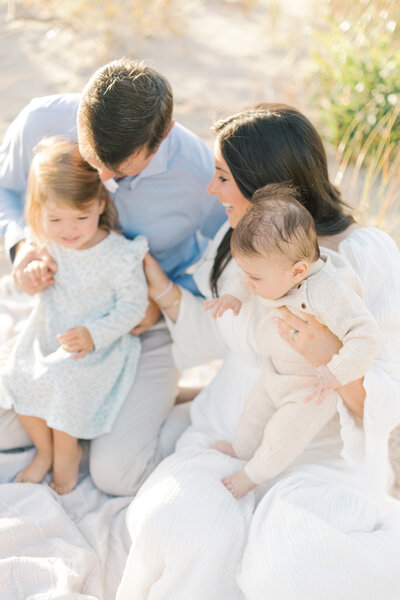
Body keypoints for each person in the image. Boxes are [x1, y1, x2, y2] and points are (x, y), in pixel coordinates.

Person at [116, 104, 400, 599]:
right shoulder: (239, 242)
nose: (212, 190)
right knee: (172, 528)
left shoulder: (361, 258)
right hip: (234, 430)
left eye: (222, 177)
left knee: (287, 569)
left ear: (263, 182)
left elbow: (388, 398)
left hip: (319, 455)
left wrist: (328, 354)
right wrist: (159, 291)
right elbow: (213, 331)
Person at [0, 58, 226, 495]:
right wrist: (21, 246)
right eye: (91, 159)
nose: (105, 183)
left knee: (115, 474)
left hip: (145, 328)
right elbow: (4, 189)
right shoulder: (41, 120)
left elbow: (224, 259)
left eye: (120, 171)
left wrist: (165, 300)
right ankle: (102, 415)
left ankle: (191, 403)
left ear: (164, 134)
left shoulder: (202, 175)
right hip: (63, 312)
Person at [203, 183, 380, 499]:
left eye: (254, 279)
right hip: (275, 371)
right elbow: (252, 276)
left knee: (283, 435)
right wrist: (234, 296)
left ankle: (251, 475)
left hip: (312, 387)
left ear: (298, 270)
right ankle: (241, 450)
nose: (248, 283)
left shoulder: (328, 292)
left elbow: (366, 336)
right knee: (253, 414)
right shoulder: (280, 268)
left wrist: (333, 371)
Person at [0, 137, 148, 494]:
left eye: (80, 217)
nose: (69, 230)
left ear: (100, 204)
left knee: (63, 380)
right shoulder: (47, 244)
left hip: (95, 346)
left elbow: (133, 307)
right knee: (17, 373)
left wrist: (95, 334)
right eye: (55, 219)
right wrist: (35, 275)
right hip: (49, 329)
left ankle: (66, 462)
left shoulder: (119, 254)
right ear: (38, 212)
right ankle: (45, 451)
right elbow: (33, 283)